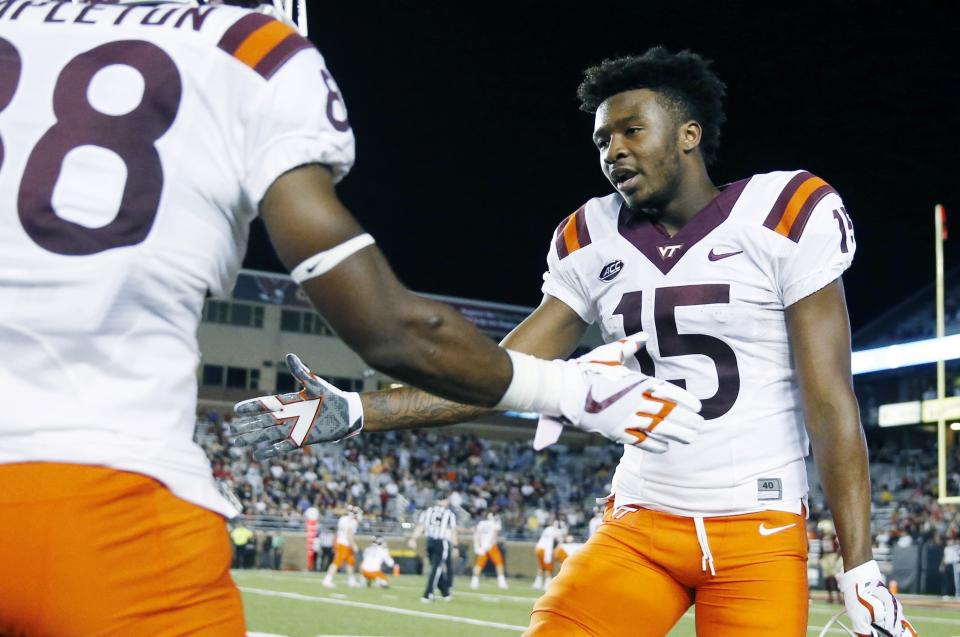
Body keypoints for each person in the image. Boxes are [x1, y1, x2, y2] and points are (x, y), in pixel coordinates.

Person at [0, 0, 698, 633]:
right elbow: (392, 329)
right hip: (112, 505)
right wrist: (570, 389)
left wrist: (360, 411)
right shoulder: (250, 46)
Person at [254, 47, 918, 636]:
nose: (613, 150)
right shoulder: (589, 235)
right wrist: (362, 411)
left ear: (689, 133)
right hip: (640, 524)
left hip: (759, 531)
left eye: (632, 129)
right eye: (602, 139)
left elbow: (830, 400)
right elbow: (498, 369)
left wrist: (858, 565)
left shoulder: (785, 212)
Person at [410, 497, 458, 602]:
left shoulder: (427, 512)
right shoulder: (449, 514)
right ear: (445, 501)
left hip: (430, 541)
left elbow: (420, 527)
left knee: (435, 568)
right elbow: (453, 531)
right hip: (442, 542)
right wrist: (455, 546)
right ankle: (427, 594)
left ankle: (445, 593)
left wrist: (413, 538)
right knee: (437, 568)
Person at [323, 506, 360, 588]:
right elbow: (349, 534)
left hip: (340, 542)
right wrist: (354, 545)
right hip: (345, 544)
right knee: (336, 563)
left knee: (350, 562)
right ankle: (327, 579)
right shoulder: (352, 522)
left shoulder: (342, 519)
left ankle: (351, 581)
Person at [471, 511, 508, 590]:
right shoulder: (494, 523)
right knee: (499, 563)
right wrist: (490, 543)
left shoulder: (481, 523)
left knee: (479, 564)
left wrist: (478, 545)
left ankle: (474, 581)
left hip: (482, 546)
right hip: (491, 546)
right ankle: (501, 582)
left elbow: (477, 535)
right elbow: (494, 535)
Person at [532, 517, 564, 590]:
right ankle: (547, 584)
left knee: (541, 567)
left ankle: (537, 583)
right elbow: (557, 542)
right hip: (545, 550)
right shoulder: (557, 531)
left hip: (538, 548)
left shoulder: (548, 528)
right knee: (548, 568)